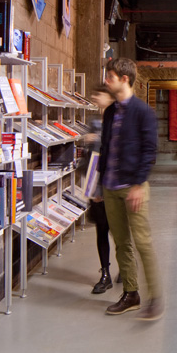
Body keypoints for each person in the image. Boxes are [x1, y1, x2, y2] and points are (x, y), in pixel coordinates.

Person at [97, 57, 162, 320]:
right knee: (122, 243)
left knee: (143, 243)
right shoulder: (111, 112)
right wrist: (100, 183)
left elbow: (149, 151)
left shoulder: (143, 112)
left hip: (133, 188)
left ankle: (155, 298)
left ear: (124, 79)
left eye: (110, 76)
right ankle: (131, 294)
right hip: (110, 187)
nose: (106, 81)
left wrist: (137, 184)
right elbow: (105, 148)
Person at [82, 86, 115, 294]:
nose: (94, 97)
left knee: (120, 233)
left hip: (113, 185)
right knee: (101, 230)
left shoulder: (120, 121)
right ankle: (105, 274)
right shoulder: (94, 122)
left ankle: (126, 268)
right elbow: (91, 157)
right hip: (96, 183)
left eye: (99, 94)